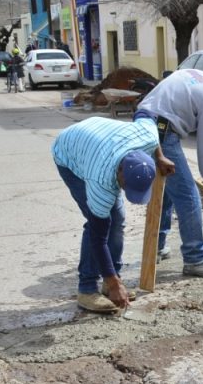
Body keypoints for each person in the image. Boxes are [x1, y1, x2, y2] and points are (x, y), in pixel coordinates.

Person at [133, 64, 203, 279]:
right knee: (189, 197)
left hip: (144, 121)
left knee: (166, 190)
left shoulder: (194, 75)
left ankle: (157, 246)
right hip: (162, 131)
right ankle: (196, 259)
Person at [53, 116, 175, 312]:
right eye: (126, 187)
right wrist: (114, 283)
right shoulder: (101, 180)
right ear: (119, 172)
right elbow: (98, 237)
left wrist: (159, 156)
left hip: (101, 137)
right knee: (97, 223)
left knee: (117, 220)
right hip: (69, 152)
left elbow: (148, 119)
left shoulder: (149, 137)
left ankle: (112, 282)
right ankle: (87, 289)